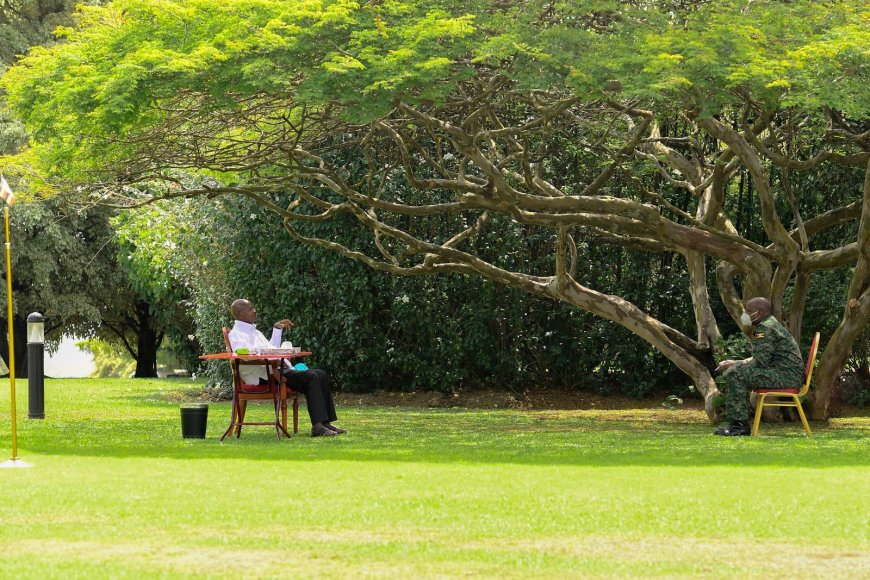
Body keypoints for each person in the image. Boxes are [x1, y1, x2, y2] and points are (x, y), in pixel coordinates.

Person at [227, 299, 345, 437]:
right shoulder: (236, 334)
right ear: (240, 314)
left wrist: (277, 330)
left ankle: (325, 423)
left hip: (274, 369)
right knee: (312, 377)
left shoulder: (255, 331)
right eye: (250, 309)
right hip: (262, 375)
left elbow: (271, 348)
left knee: (320, 374)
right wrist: (274, 359)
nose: (254, 311)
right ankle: (317, 426)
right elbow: (245, 356)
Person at [713, 297, 804, 436]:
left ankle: (738, 427)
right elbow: (761, 358)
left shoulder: (765, 328)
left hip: (785, 377)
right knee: (735, 370)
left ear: (759, 313)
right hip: (787, 375)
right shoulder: (771, 324)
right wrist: (735, 362)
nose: (745, 315)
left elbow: (760, 362)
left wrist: (736, 366)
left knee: (735, 374)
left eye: (748, 311)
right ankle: (738, 425)